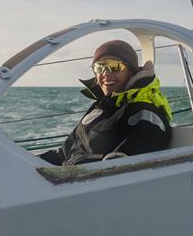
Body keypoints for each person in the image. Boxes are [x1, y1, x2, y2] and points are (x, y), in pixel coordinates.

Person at [40, 40, 172, 166]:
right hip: (66, 178)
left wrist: (73, 165)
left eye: (114, 66)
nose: (106, 74)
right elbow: (64, 153)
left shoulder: (145, 115)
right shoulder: (100, 107)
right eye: (100, 67)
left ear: (131, 72)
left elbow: (122, 167)